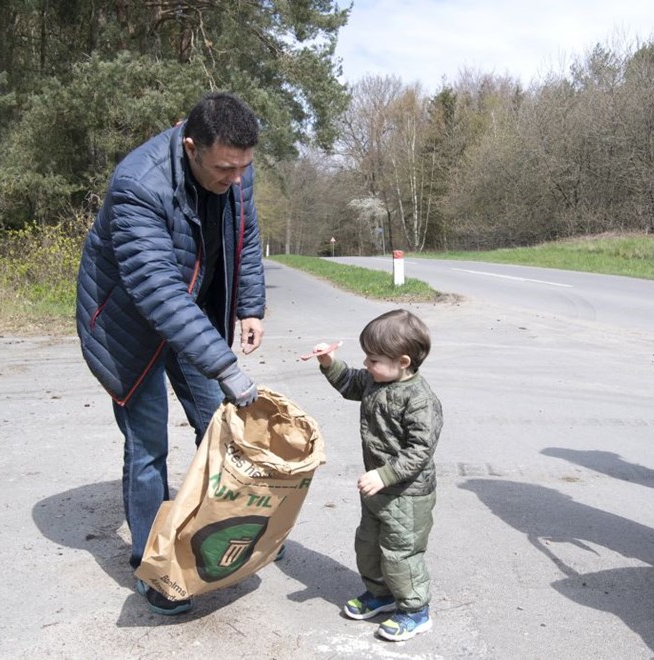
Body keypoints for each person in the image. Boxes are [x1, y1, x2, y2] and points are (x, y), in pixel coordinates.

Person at [76, 92, 266, 615]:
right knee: (148, 445)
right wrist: (226, 365)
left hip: (193, 309)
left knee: (219, 427)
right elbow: (157, 289)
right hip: (127, 320)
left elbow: (245, 235)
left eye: (243, 168)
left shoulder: (237, 165)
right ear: (191, 146)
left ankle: (219, 535)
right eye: (225, 168)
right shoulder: (138, 182)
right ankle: (152, 563)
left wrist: (250, 305)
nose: (236, 178)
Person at [313, 309, 443, 642]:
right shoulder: (376, 379)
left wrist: (385, 475)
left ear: (402, 361)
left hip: (407, 495)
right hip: (377, 489)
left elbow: (418, 451)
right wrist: (329, 363)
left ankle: (415, 610)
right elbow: (350, 381)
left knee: (401, 553)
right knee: (368, 546)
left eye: (373, 360)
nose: (367, 366)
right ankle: (381, 594)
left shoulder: (420, 400)